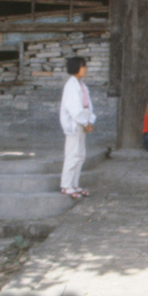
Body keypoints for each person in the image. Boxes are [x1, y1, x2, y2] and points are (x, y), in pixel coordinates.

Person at [59, 55, 96, 200]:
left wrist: (90, 121)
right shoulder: (70, 86)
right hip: (75, 124)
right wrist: (85, 122)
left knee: (80, 155)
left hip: (83, 122)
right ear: (76, 68)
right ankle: (66, 185)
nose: (85, 69)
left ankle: (74, 184)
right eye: (83, 66)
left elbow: (88, 106)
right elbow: (75, 109)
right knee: (72, 154)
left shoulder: (82, 85)